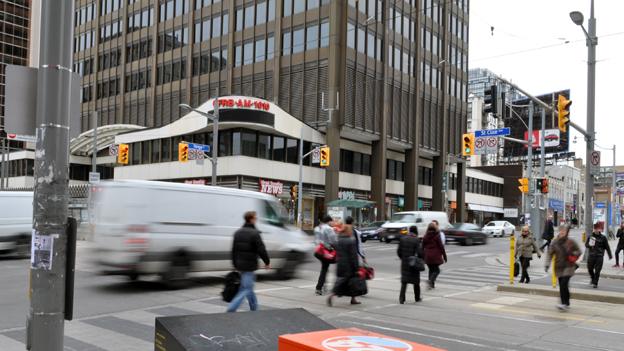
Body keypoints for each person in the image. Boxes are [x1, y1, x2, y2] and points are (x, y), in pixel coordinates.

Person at [227, 211, 271, 312]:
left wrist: (234, 264)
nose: (256, 220)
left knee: (248, 287)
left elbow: (234, 250)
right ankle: (232, 308)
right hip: (249, 266)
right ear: (251, 219)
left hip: (240, 265)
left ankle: (254, 309)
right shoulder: (254, 233)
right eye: (255, 218)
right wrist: (267, 262)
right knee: (246, 289)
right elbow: (261, 249)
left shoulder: (237, 233)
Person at [545, 224, 581, 311]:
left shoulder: (571, 242)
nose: (562, 233)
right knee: (562, 285)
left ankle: (564, 303)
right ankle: (566, 301)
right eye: (560, 231)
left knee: (564, 283)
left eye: (563, 231)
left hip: (569, 266)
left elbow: (579, 251)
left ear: (566, 232)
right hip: (559, 267)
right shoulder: (554, 242)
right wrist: (547, 264)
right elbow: (549, 254)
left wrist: (573, 254)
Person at [327, 222, 361, 306]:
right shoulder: (350, 241)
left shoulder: (338, 240)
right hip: (349, 265)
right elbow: (354, 256)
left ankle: (353, 298)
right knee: (349, 281)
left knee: (347, 282)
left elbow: (334, 247)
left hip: (340, 263)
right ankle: (332, 295)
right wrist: (356, 267)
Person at [397, 226, 423, 304]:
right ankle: (417, 298)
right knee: (416, 282)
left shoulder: (403, 238)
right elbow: (420, 253)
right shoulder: (416, 240)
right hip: (413, 264)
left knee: (404, 281)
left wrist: (403, 258)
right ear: (416, 231)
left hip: (404, 263)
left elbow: (398, 251)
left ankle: (401, 299)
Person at [314, 215, 338, 295]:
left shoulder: (317, 228)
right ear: (329, 221)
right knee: (338, 265)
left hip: (319, 251)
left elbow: (317, 240)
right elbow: (333, 241)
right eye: (332, 221)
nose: (333, 223)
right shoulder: (328, 228)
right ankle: (322, 287)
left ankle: (321, 287)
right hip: (326, 252)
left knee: (324, 268)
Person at [585, 222, 613, 288]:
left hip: (599, 256)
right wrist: (590, 245)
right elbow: (586, 245)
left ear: (600, 229)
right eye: (595, 229)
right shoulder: (590, 236)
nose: (597, 230)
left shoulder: (603, 237)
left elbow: (607, 247)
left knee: (597, 270)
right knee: (590, 269)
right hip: (591, 255)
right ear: (594, 229)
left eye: (598, 229)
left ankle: (595, 283)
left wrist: (610, 255)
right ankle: (592, 278)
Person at [422, 223, 447, 289]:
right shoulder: (437, 235)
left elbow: (422, 246)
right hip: (435, 256)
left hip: (427, 255)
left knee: (431, 270)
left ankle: (431, 285)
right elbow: (441, 246)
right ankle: (430, 281)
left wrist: (422, 256)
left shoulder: (425, 236)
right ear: (435, 228)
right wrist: (444, 256)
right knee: (437, 271)